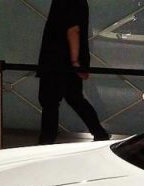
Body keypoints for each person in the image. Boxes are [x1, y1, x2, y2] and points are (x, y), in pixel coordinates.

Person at [37, 0, 109, 145]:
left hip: (57, 61)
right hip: (65, 62)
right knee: (74, 98)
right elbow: (74, 30)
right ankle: (99, 133)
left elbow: (73, 30)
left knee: (51, 102)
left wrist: (75, 62)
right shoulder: (79, 2)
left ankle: (46, 141)